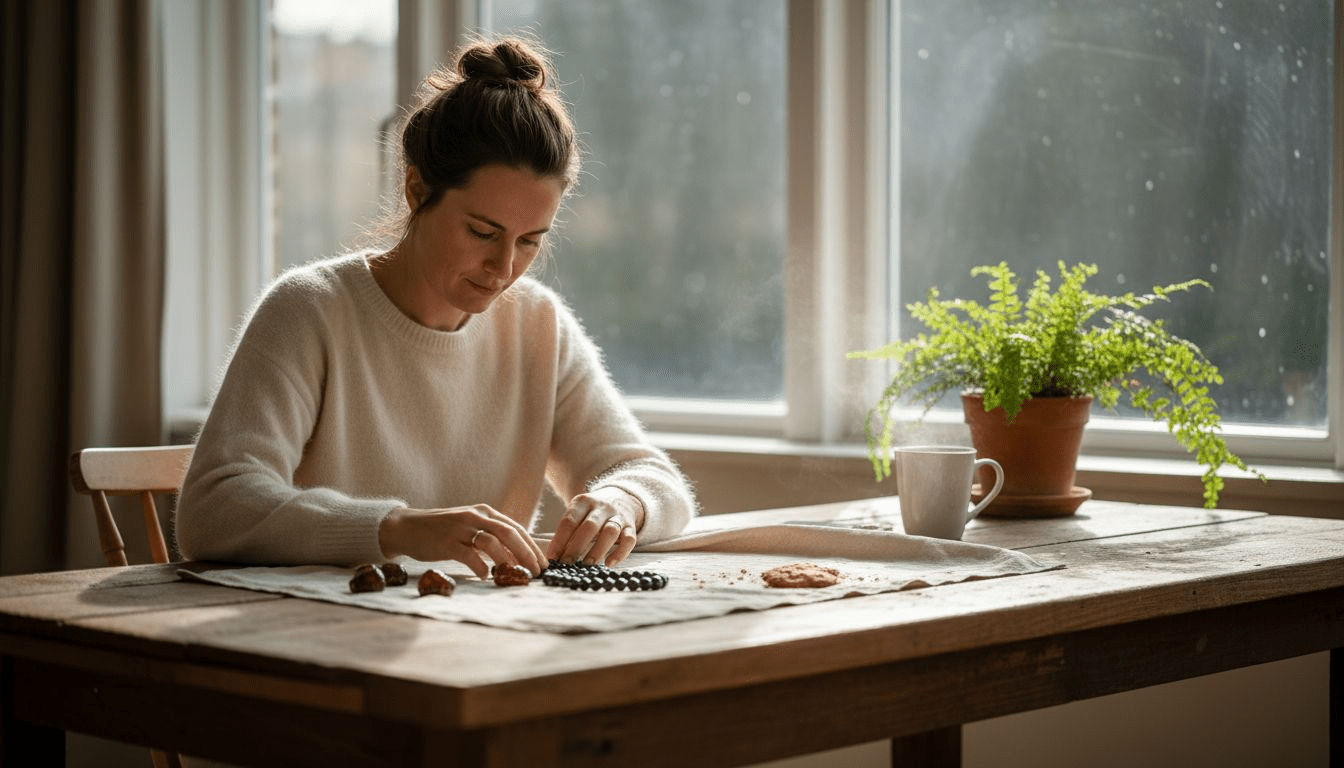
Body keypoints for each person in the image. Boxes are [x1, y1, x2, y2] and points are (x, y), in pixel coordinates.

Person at [175, 36, 697, 580]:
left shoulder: (537, 324)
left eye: (529, 241)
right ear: (416, 189)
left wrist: (622, 502)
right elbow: (213, 509)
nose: (503, 268)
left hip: (476, 646)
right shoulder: (311, 311)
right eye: (481, 231)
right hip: (315, 637)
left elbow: (650, 477)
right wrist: (398, 529)